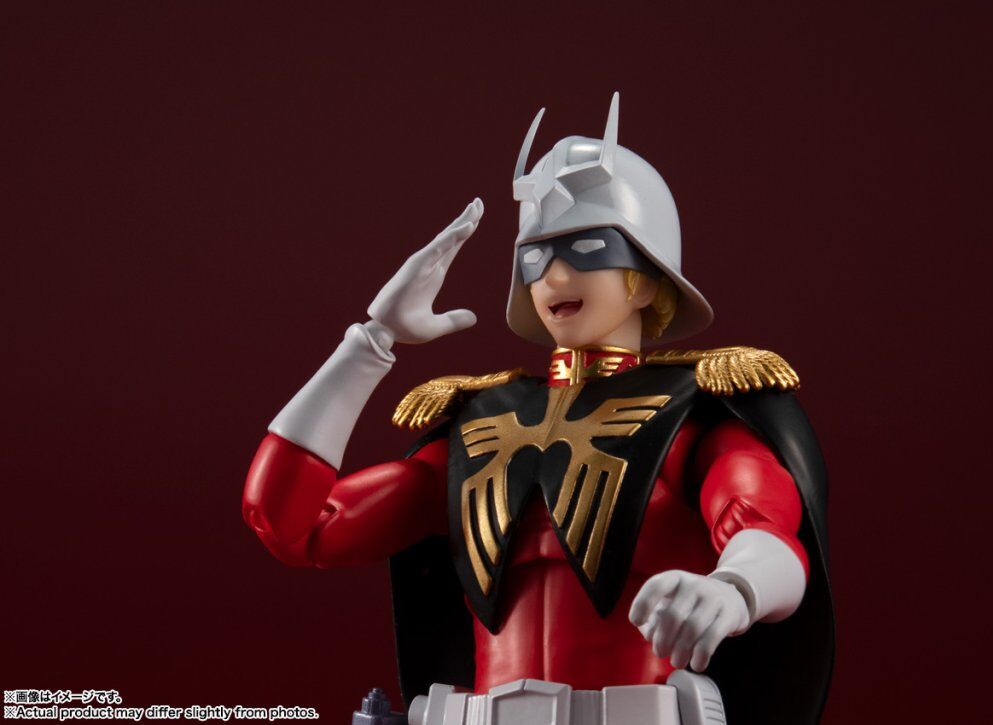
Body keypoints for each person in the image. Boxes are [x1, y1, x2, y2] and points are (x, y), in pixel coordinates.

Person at [243, 94, 834, 725]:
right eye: (534, 257)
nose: (553, 277)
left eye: (588, 249)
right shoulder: (479, 424)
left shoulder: (692, 419)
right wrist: (371, 341)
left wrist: (734, 589)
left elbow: (766, 533)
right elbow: (295, 526)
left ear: (647, 275)